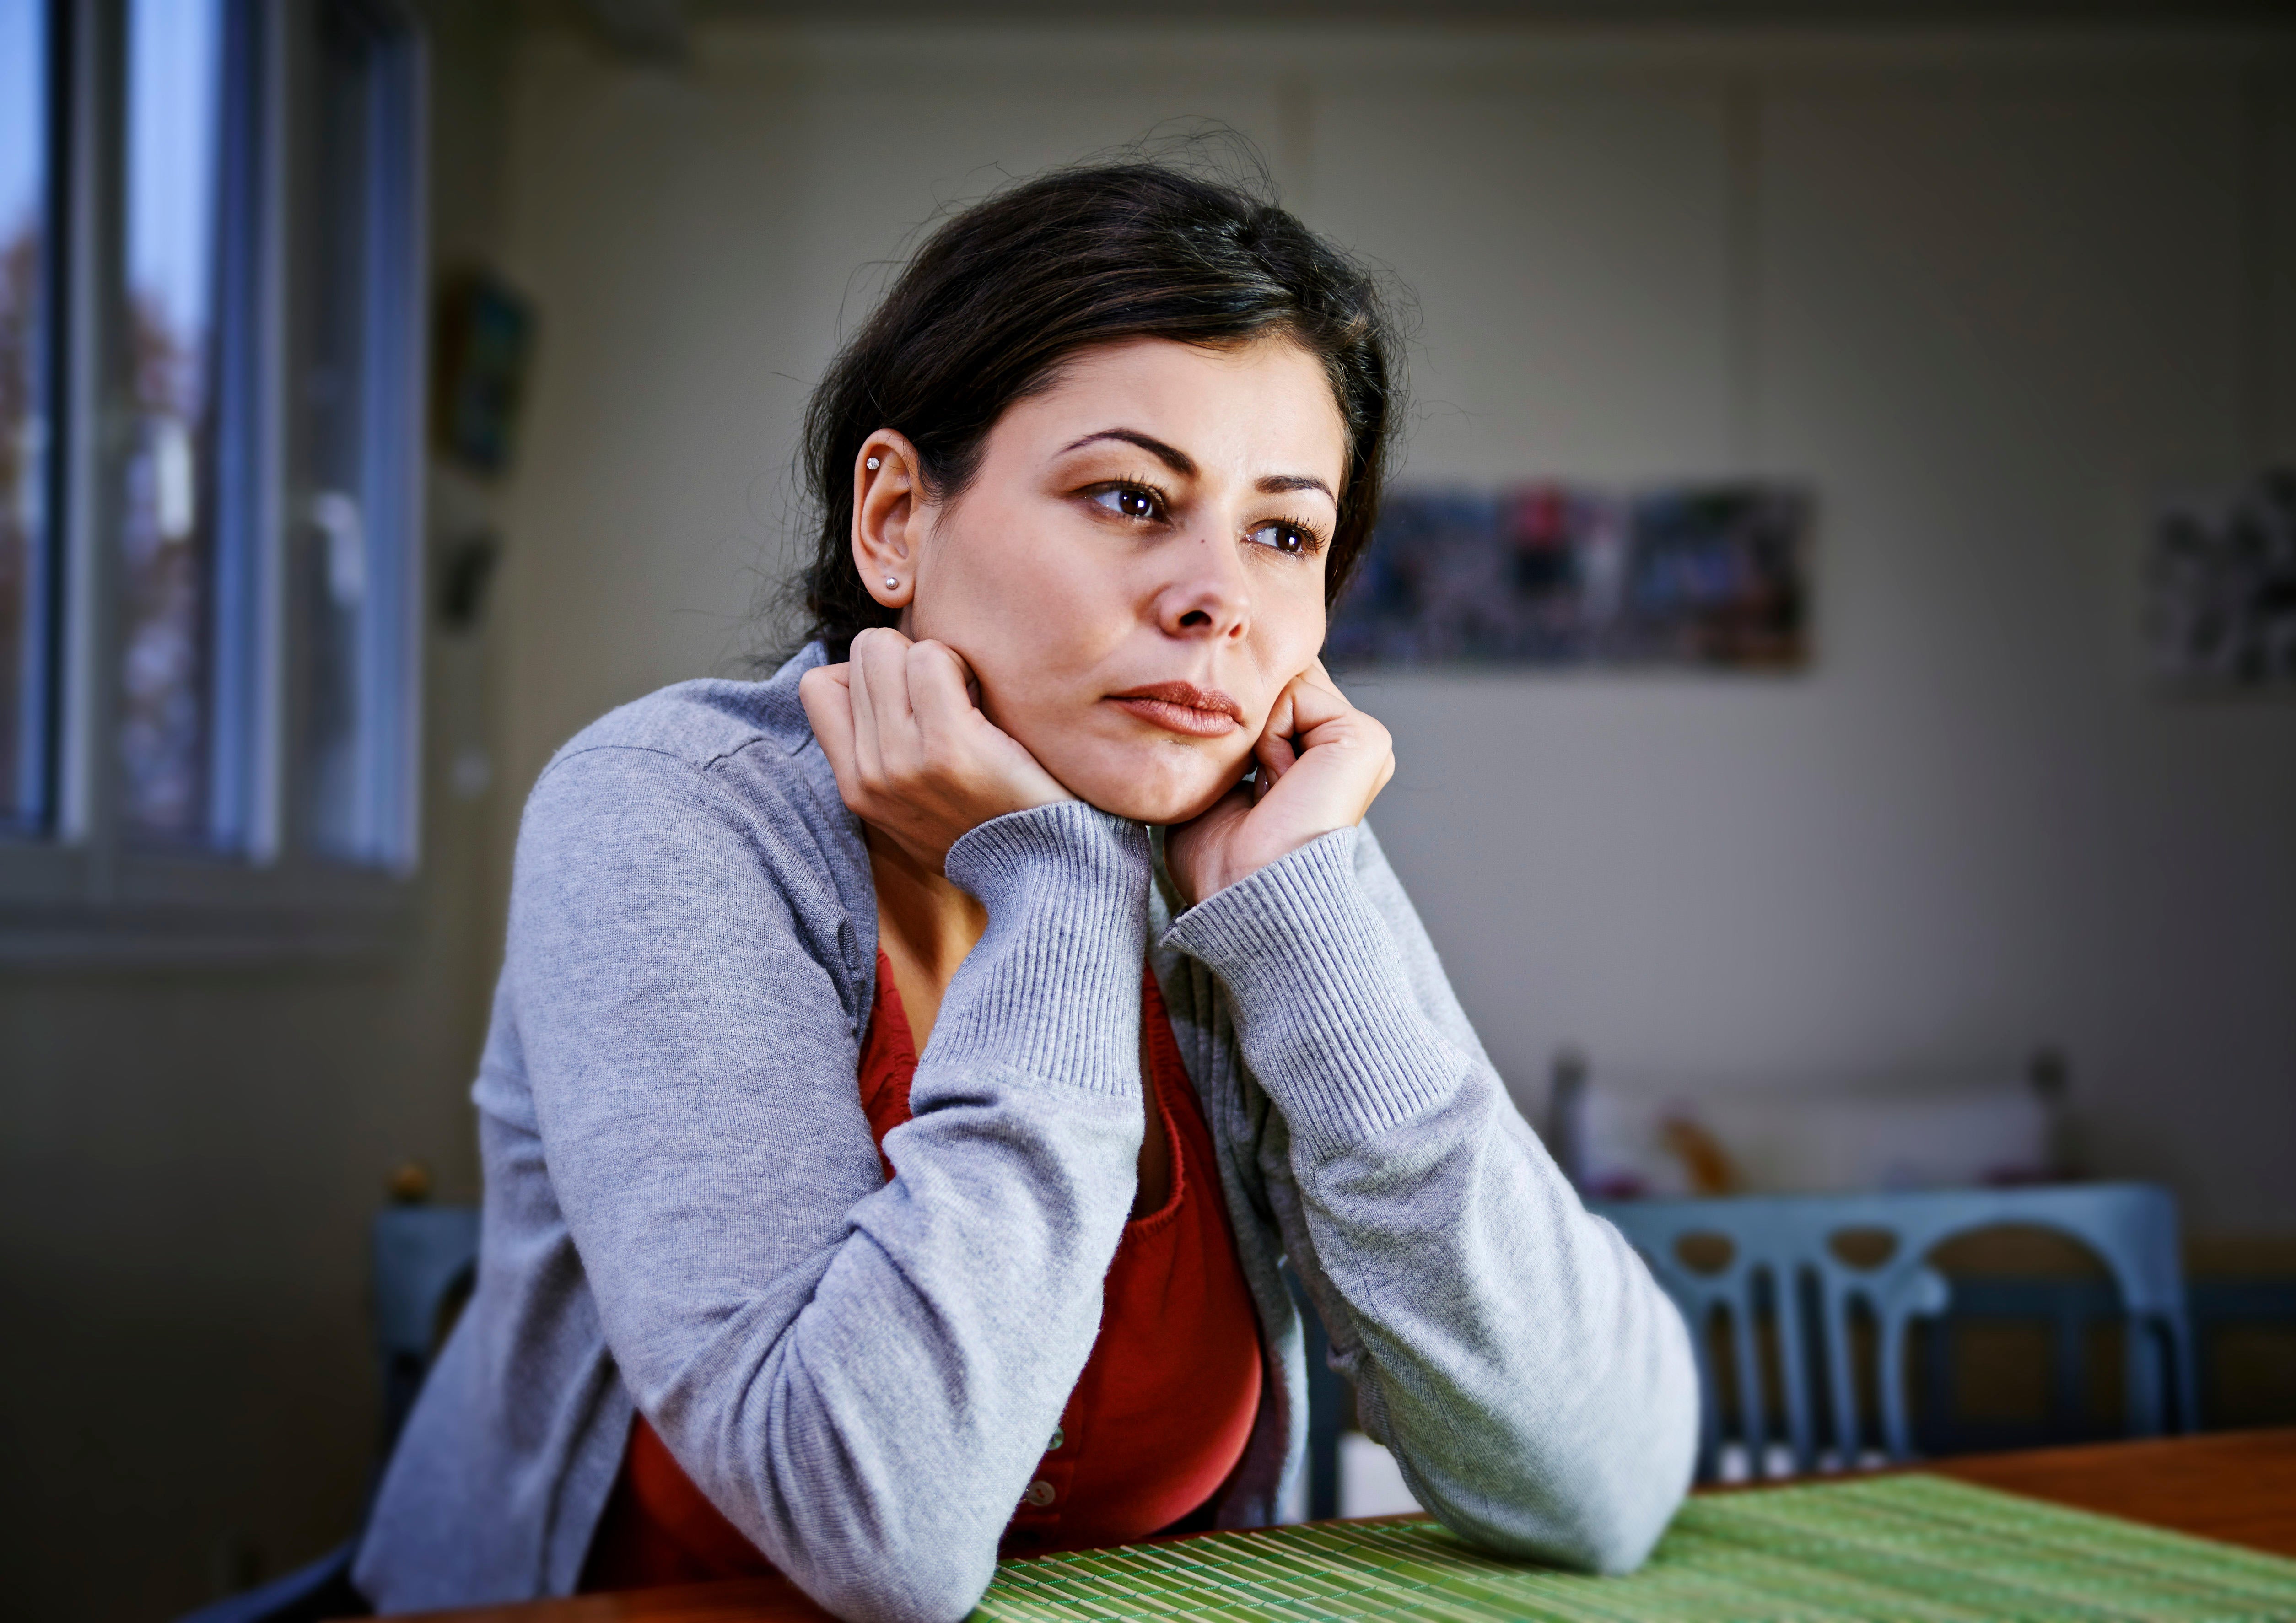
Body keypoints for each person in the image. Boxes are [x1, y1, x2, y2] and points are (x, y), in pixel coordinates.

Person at [355, 159, 1697, 1623]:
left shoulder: (1252, 851)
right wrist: (1052, 880)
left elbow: (1599, 1482)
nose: (1217, 600)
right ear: (893, 520)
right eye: (1129, 496)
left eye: (1283, 531)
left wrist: (1314, 923)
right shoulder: (667, 812)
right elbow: (879, 1532)